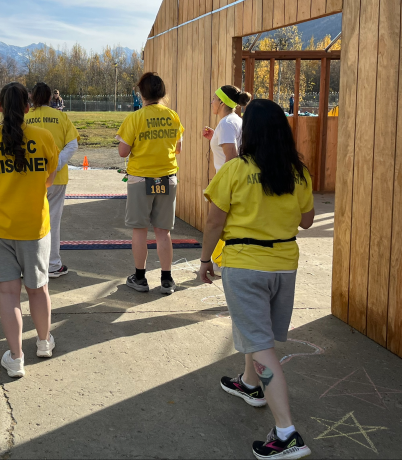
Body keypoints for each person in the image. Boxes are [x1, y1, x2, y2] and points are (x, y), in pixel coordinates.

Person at [199, 98, 314, 460]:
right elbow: (308, 221)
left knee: (261, 345)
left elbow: (214, 221)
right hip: (284, 266)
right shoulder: (298, 172)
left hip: (245, 264)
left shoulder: (234, 170)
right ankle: (250, 384)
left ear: (249, 133)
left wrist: (204, 259)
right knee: (259, 334)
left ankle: (286, 434)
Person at [0, 82, 59, 378]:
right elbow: (49, 179)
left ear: (0, 107)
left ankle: (16, 358)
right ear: (28, 107)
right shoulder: (44, 138)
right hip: (34, 227)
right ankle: (44, 343)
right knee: (39, 288)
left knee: (8, 295)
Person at [116, 72, 183, 294]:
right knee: (163, 232)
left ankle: (140, 277)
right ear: (162, 93)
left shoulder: (135, 118)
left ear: (141, 94)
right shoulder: (173, 116)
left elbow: (123, 152)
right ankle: (166, 279)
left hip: (140, 179)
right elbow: (178, 148)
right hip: (167, 177)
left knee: (140, 230)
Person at [25, 82, 79, 278]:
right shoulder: (61, 117)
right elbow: (72, 145)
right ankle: (53, 264)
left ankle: (29, 264)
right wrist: (56, 164)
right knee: (53, 221)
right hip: (56, 178)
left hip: (28, 178)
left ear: (32, 97)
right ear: (50, 97)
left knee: (31, 220)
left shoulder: (24, 118)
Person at [202, 85, 252, 273]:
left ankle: (222, 263)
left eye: (214, 99)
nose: (212, 102)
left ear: (222, 102)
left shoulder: (226, 124)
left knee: (219, 223)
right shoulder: (234, 121)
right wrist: (215, 138)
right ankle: (220, 262)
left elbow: (232, 157)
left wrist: (226, 186)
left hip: (229, 183)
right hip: (236, 181)